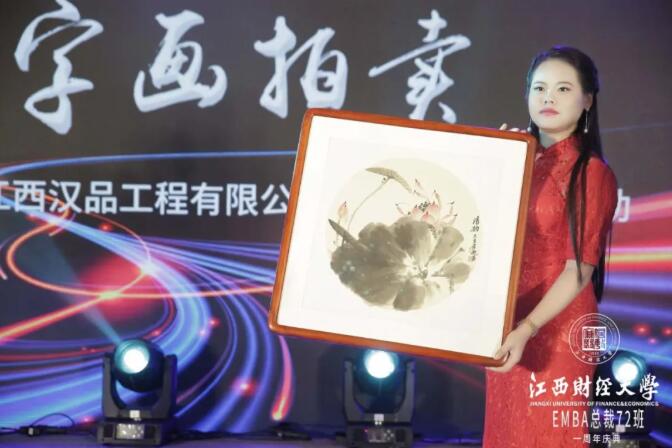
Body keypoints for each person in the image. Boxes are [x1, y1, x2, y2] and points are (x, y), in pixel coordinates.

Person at [483, 46, 618, 447]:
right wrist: (496, 164)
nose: (548, 97)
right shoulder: (518, 160)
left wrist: (527, 328)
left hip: (555, 330)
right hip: (509, 322)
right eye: (539, 88)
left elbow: (579, 271)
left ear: (587, 99)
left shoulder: (591, 172)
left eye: (563, 88)